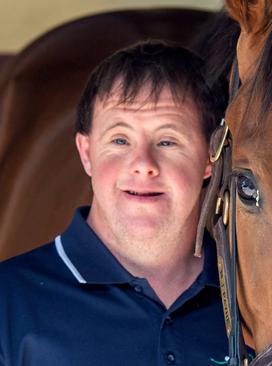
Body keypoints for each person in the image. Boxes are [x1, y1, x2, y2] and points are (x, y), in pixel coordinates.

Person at [0, 41, 231, 365]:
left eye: (167, 141)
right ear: (87, 153)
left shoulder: (253, 300)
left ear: (211, 156)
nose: (142, 163)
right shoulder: (7, 301)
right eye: (120, 140)